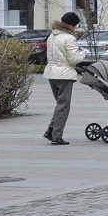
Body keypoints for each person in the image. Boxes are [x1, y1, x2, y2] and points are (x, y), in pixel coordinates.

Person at [44, 12, 85, 146]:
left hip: (51, 73)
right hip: (64, 74)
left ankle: (51, 130)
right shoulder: (69, 38)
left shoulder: (52, 36)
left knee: (60, 104)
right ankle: (56, 136)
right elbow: (74, 60)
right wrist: (83, 53)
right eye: (76, 25)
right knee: (63, 106)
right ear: (72, 24)